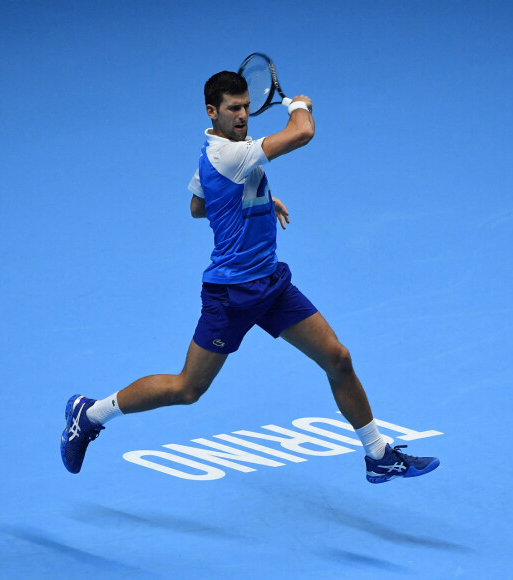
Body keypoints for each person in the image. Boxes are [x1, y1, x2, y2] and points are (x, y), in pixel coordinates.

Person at [61, 71, 440, 484]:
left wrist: (255, 198)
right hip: (231, 295)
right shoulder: (229, 156)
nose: (243, 115)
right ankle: (90, 413)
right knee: (187, 389)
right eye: (234, 109)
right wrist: (298, 105)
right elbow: (302, 133)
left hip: (272, 283)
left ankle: (378, 454)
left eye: (246, 107)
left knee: (338, 358)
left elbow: (196, 205)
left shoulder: (226, 151)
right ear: (212, 111)